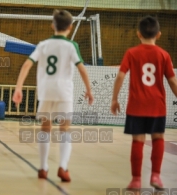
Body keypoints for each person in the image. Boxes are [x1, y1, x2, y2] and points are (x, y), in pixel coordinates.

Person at [13, 9, 93, 182]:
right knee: (64, 129)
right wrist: (88, 89)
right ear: (70, 27)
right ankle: (63, 167)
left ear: (52, 26)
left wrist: (18, 88)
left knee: (45, 129)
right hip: (64, 92)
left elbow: (27, 64)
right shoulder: (72, 46)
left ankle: (43, 167)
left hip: (46, 90)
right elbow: (81, 68)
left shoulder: (43, 45)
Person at [111, 15, 177, 190]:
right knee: (158, 139)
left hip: (136, 106)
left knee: (138, 141)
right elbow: (172, 81)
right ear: (159, 35)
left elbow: (120, 76)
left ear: (138, 34)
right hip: (157, 106)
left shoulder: (132, 53)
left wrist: (114, 99)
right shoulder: (164, 55)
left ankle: (136, 180)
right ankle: (156, 176)